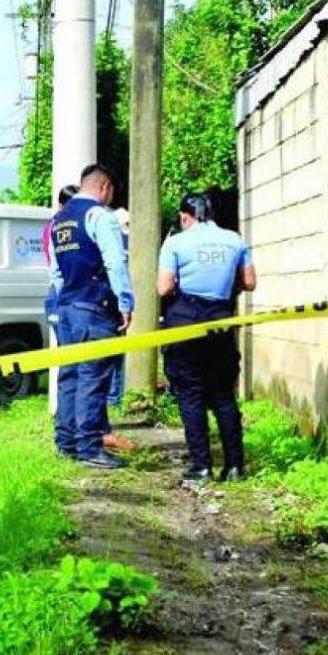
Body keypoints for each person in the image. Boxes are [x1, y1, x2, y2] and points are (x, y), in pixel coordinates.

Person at [157, 191, 257, 483]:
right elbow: (249, 282)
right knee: (223, 394)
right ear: (211, 214)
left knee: (191, 395)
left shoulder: (175, 243)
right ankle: (235, 466)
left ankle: (201, 466)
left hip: (184, 324)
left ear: (184, 217)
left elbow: (164, 288)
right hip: (221, 322)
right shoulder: (235, 240)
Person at [49, 163, 134, 469]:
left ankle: (66, 442)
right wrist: (125, 302)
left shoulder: (59, 221)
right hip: (95, 308)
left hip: (68, 308)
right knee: (93, 378)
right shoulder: (99, 216)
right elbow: (115, 262)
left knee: (69, 375)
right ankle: (89, 448)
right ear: (104, 187)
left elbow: (56, 272)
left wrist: (64, 302)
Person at [43, 184, 79, 335]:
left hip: (58, 291)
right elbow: (56, 268)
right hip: (62, 292)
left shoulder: (52, 225)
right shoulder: (58, 227)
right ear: (61, 205)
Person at [106, 208, 131, 409]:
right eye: (127, 226)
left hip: (106, 304)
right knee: (115, 357)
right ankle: (114, 400)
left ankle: (113, 399)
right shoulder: (119, 243)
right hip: (113, 306)